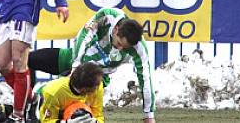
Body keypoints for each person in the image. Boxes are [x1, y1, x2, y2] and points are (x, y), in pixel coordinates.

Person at [28, 7, 156, 123]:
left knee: (67, 113)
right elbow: (85, 35)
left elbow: (145, 78)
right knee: (28, 60)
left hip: (93, 80)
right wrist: (76, 66)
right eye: (119, 44)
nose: (120, 49)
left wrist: (148, 115)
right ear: (116, 30)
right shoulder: (107, 16)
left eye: (125, 48)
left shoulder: (140, 48)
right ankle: (30, 100)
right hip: (74, 60)